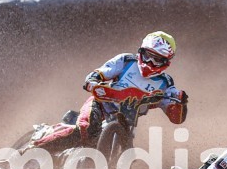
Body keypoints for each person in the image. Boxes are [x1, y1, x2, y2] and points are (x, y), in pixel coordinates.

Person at [33, 31, 188, 152]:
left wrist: (181, 102)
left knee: (128, 151)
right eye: (148, 56)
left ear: (166, 62)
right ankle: (30, 152)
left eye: (157, 59)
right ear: (141, 51)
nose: (150, 62)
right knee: (86, 130)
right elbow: (100, 73)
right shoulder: (126, 61)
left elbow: (176, 117)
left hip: (126, 120)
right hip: (101, 105)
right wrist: (92, 82)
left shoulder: (165, 83)